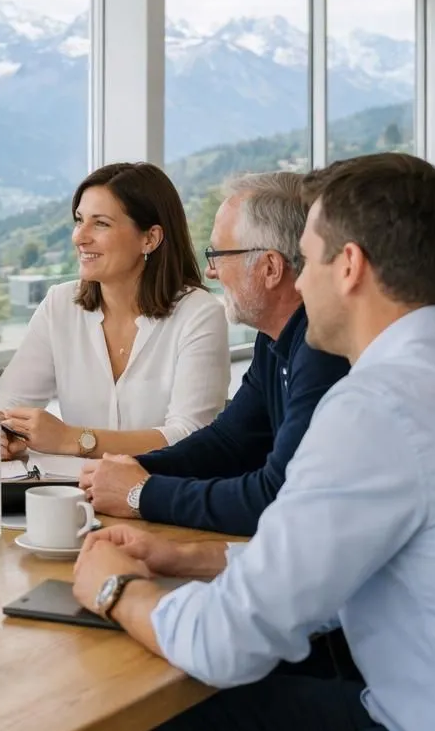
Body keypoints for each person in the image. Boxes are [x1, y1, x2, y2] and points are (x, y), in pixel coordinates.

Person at [73, 153, 435, 731]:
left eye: (309, 256)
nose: (298, 277)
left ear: (347, 266)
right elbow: (332, 553)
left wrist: (114, 587)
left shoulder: (379, 407)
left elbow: (224, 643)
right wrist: (186, 556)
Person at [81, 172, 350, 535]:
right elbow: (229, 442)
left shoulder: (323, 349)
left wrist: (140, 493)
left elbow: (277, 495)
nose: (210, 272)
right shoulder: (274, 340)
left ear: (270, 268)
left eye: (218, 255)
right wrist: (128, 469)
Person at [0, 162, 227, 460]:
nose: (79, 237)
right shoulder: (60, 304)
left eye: (101, 223)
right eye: (79, 220)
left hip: (160, 495)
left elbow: (189, 435)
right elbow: (6, 399)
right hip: (77, 495)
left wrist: (74, 439)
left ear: (150, 238)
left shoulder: (199, 314)